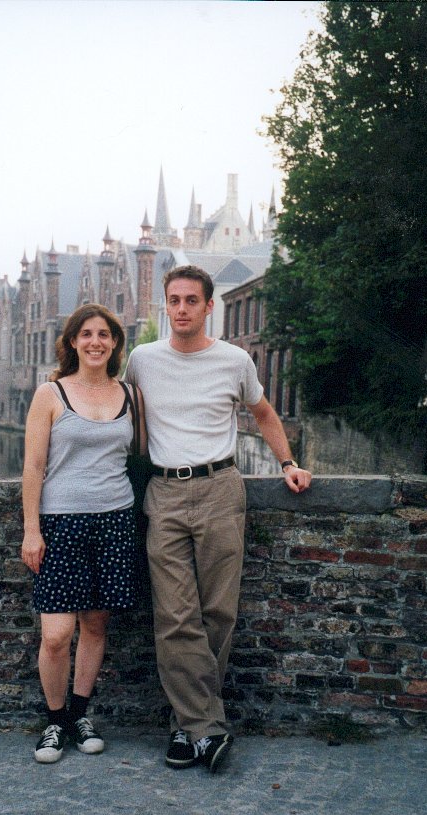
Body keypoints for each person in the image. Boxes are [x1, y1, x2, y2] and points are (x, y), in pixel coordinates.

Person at [125, 265, 312, 774]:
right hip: (164, 492)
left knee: (219, 613)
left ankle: (185, 728)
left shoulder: (234, 360)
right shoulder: (142, 360)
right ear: (166, 305)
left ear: (210, 306)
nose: (181, 309)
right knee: (174, 615)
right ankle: (205, 727)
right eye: (174, 300)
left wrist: (288, 463)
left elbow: (264, 413)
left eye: (192, 300)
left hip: (221, 489)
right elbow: (124, 416)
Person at [21, 303, 147, 764]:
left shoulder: (131, 395)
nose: (96, 342)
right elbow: (33, 466)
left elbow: (140, 456)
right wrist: (31, 530)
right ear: (73, 342)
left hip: (115, 520)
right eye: (87, 334)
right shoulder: (50, 394)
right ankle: (54, 722)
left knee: (95, 624)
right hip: (61, 523)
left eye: (104, 335)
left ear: (115, 343)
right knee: (56, 634)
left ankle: (79, 715)